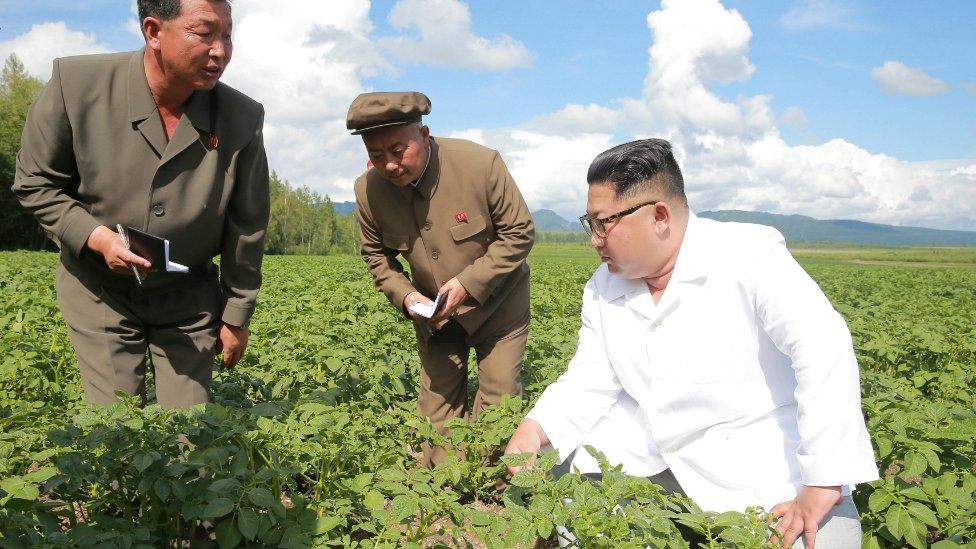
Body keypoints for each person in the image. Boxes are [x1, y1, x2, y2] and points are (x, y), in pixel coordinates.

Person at [504, 139, 878, 547]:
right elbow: (590, 379)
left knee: (826, 539)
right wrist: (536, 426)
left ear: (659, 216)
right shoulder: (603, 286)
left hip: (758, 461)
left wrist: (824, 480)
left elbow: (822, 346)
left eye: (602, 222)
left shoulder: (748, 255)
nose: (594, 239)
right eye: (589, 222)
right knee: (572, 494)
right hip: (650, 458)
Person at [13, 0, 269, 408]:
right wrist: (95, 237)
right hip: (100, 290)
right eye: (205, 33)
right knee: (116, 428)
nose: (220, 50)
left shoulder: (240, 117)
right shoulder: (77, 84)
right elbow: (36, 182)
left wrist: (237, 314)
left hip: (188, 300)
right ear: (153, 31)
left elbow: (247, 224)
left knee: (189, 436)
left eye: (227, 34)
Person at [348, 91, 534, 466]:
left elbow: (519, 232)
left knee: (498, 403)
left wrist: (467, 284)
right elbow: (376, 256)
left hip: (499, 307)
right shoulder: (368, 192)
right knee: (435, 425)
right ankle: (443, 491)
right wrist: (406, 297)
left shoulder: (480, 165)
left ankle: (496, 492)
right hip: (434, 317)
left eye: (398, 150)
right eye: (377, 155)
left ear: (424, 134)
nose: (390, 165)